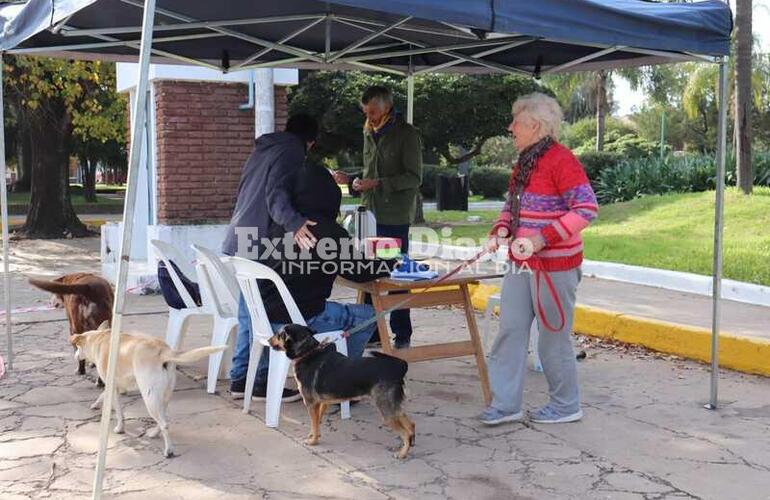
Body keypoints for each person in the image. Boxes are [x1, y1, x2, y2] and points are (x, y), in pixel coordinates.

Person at [229, 160, 396, 400]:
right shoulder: (329, 232)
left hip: (264, 320)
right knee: (368, 315)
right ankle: (340, 383)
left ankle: (262, 379)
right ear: (329, 195)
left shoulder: (275, 224)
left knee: (313, 307)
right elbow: (359, 271)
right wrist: (390, 263)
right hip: (302, 321)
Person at [479, 92, 598, 426]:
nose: (510, 128)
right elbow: (511, 207)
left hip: (555, 267)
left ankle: (566, 405)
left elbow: (586, 208)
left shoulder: (562, 160)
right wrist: (502, 229)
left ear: (534, 125)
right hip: (521, 263)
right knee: (510, 330)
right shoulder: (524, 162)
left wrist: (541, 239)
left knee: (552, 338)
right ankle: (506, 405)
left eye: (516, 122)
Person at [223, 113, 319, 402]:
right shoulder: (291, 151)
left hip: (242, 235)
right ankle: (260, 380)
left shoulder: (265, 149)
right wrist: (295, 223)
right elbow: (276, 194)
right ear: (310, 142)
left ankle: (241, 378)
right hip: (258, 239)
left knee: (249, 313)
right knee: (264, 312)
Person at [332, 86, 423, 349]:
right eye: (365, 112)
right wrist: (352, 180)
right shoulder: (368, 130)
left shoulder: (406, 134)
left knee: (395, 275)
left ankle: (402, 333)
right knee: (368, 272)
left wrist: (379, 183)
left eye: (372, 112)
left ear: (387, 107)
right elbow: (369, 171)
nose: (369, 117)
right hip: (368, 212)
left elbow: (414, 177)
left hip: (393, 215)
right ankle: (372, 331)